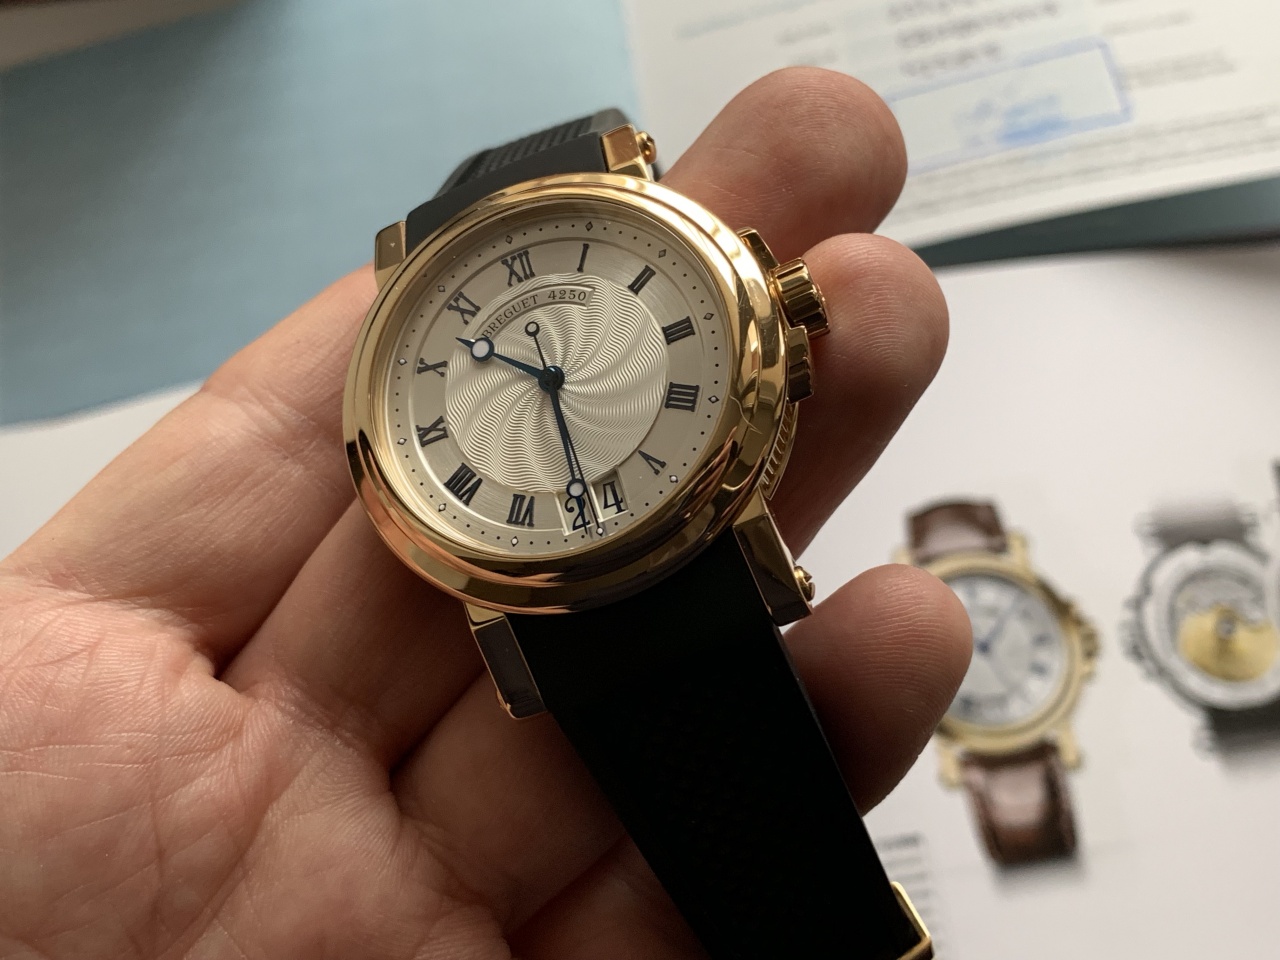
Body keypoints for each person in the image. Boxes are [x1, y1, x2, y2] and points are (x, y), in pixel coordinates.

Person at [0, 68, 969, 959]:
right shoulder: (417, 413)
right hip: (563, 604)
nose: (546, 373)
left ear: (779, 315)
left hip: (665, 582)